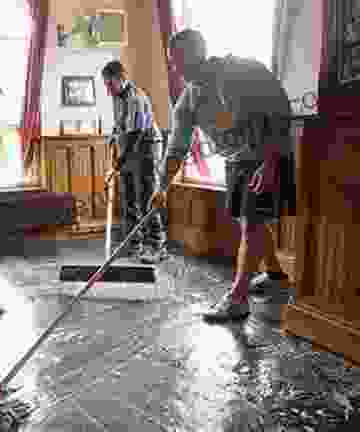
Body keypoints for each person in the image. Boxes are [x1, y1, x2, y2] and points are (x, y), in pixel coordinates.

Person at [150, 29, 294, 321]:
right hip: (236, 159)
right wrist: (161, 186)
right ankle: (276, 275)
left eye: (179, 60)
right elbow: (176, 148)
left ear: (197, 53)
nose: (176, 68)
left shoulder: (240, 72)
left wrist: (270, 162)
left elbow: (279, 112)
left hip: (267, 153)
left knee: (251, 221)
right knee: (248, 219)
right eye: (173, 62)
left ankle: (238, 299)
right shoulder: (188, 101)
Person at [102, 60, 168, 264]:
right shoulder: (116, 96)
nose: (108, 89)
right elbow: (121, 125)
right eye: (105, 85)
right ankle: (134, 245)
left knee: (147, 197)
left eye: (110, 84)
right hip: (129, 145)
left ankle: (158, 246)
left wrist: (118, 164)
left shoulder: (135, 98)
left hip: (146, 145)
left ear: (122, 79)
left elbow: (136, 135)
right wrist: (114, 136)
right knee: (129, 196)